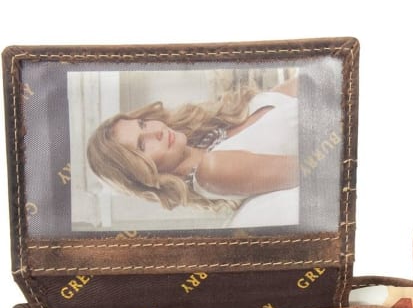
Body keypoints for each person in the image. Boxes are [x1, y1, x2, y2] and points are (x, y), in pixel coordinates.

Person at [86, 76, 299, 214]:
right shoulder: (211, 171)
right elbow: (311, 171)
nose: (155, 131)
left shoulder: (217, 127)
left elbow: (304, 83)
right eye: (142, 145)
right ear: (142, 173)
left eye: (143, 124)